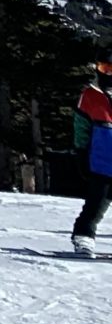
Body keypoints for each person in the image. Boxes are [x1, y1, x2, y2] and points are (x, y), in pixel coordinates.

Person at [74, 60, 112, 257]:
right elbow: (81, 126)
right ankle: (84, 236)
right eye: (106, 68)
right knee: (96, 204)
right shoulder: (91, 96)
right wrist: (81, 152)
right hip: (102, 163)